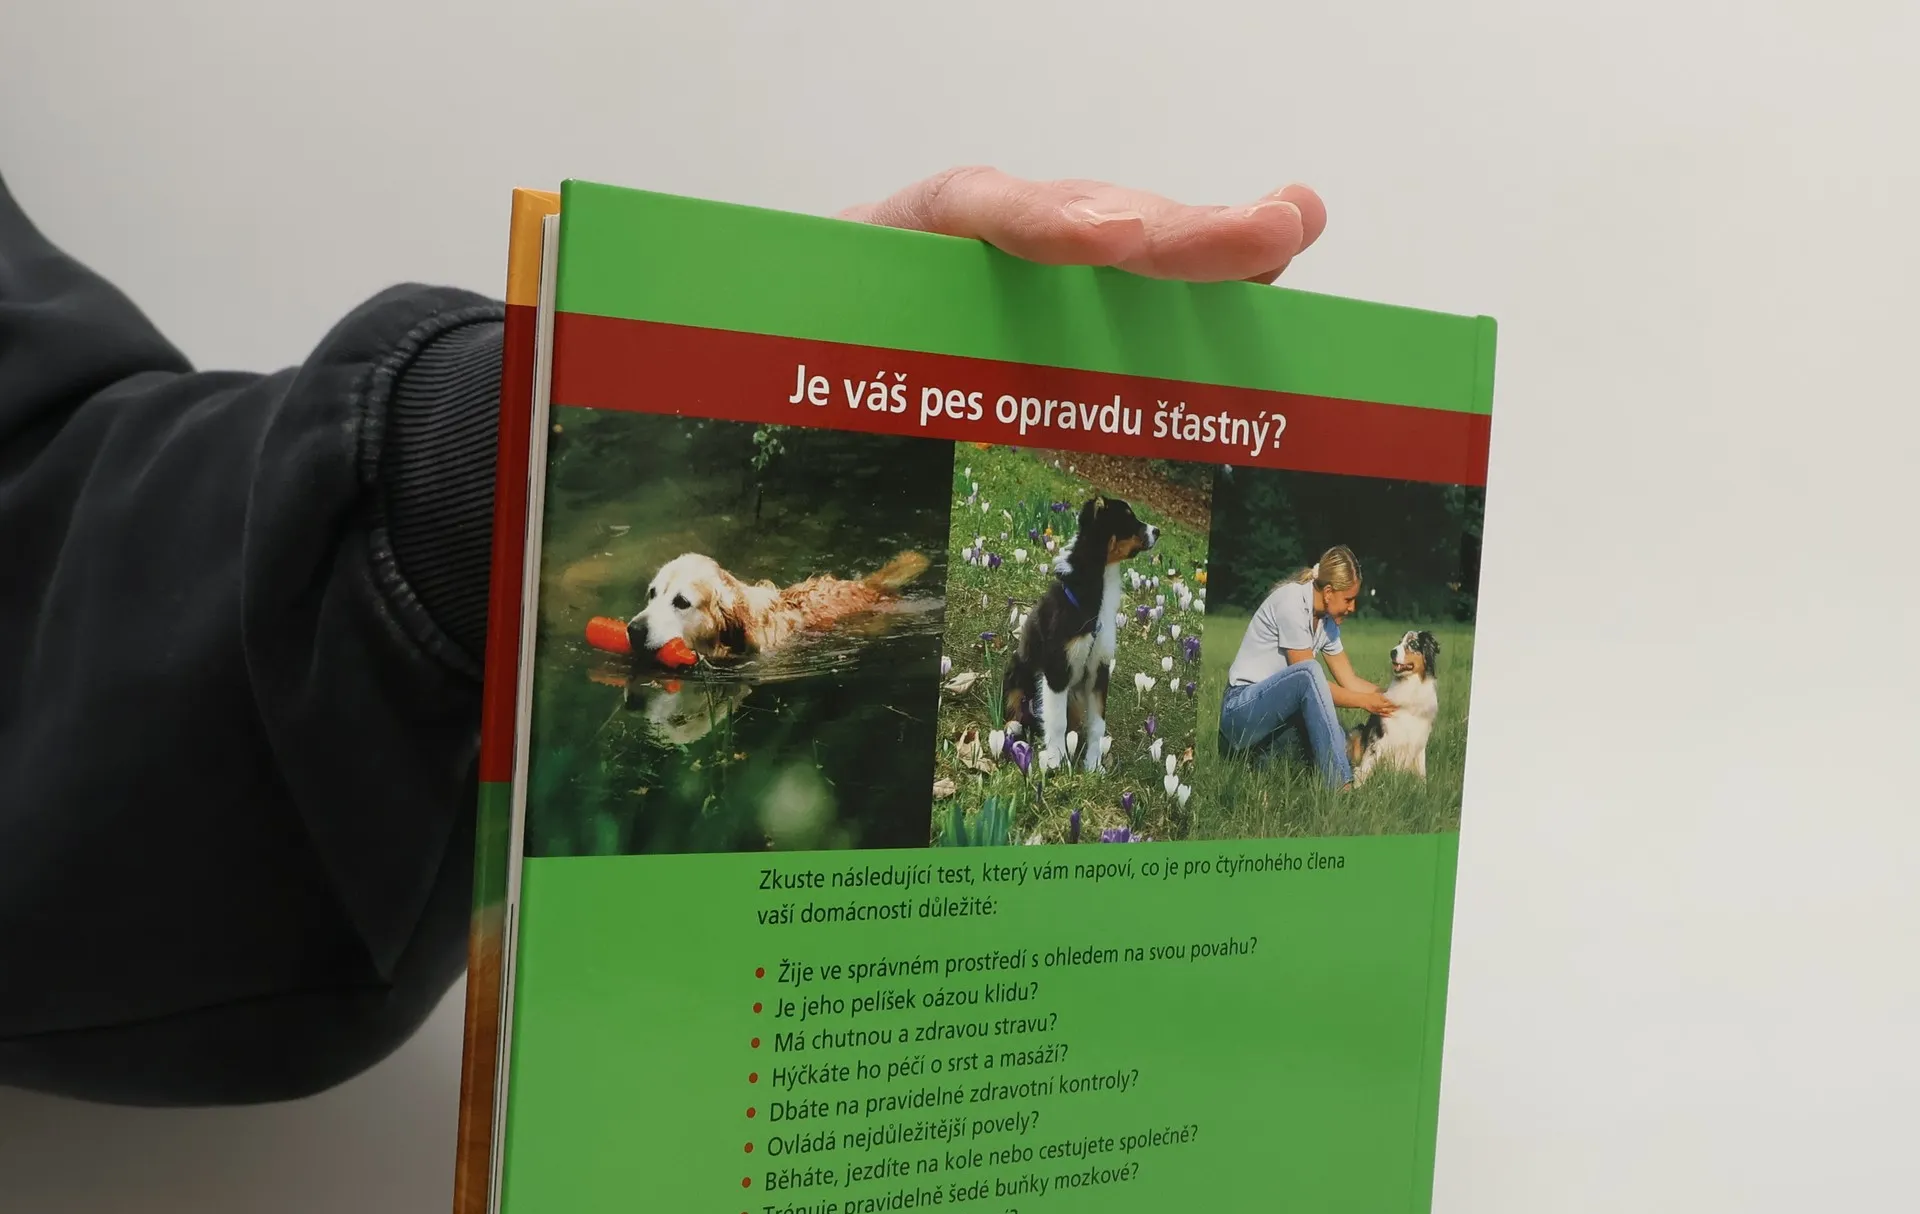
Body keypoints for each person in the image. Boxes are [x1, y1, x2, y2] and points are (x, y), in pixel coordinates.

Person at [0, 167, 1325, 1105]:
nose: (645, 625)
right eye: (655, 604)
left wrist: (476, 476)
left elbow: (49, 470)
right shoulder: (677, 634)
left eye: (674, 606)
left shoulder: (761, 637)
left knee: (886, 603)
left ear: (727, 617)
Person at [1216, 545, 1396, 787]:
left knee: (1336, 743)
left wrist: (1394, 697)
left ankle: (1258, 760)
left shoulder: (1327, 622)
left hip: (1275, 718)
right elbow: (1310, 683)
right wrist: (1366, 702)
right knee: (1310, 672)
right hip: (1240, 712)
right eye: (1348, 599)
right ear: (1329, 592)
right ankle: (1340, 785)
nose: (1352, 607)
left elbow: (1350, 681)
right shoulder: (1291, 602)